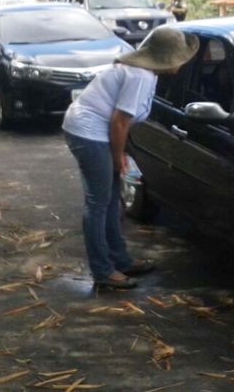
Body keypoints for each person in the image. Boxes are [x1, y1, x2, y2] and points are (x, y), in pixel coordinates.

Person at [63, 26, 199, 289]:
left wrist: (119, 153)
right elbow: (119, 122)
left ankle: (120, 260)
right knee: (99, 203)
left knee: (112, 199)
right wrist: (118, 157)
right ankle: (103, 272)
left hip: (95, 130)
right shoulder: (140, 76)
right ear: (165, 58)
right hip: (89, 133)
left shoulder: (147, 73)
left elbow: (120, 123)